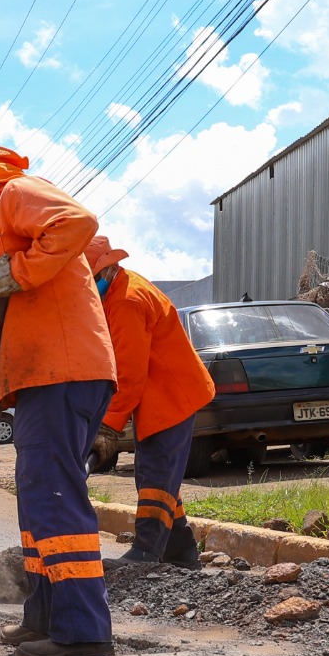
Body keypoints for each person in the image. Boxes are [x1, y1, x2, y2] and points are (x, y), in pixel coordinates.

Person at [0, 140, 117, 656]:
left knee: (54, 495)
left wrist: (19, 271)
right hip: (48, 376)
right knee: (39, 498)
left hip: (66, 373)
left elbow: (79, 220)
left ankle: (81, 628)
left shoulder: (17, 192)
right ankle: (43, 616)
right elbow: (15, 331)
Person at [84, 235, 215, 568]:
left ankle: (146, 551)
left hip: (170, 394)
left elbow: (128, 376)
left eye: (92, 276)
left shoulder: (127, 299)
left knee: (156, 473)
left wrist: (106, 429)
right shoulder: (120, 289)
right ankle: (181, 552)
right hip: (165, 391)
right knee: (159, 475)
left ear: (109, 268)